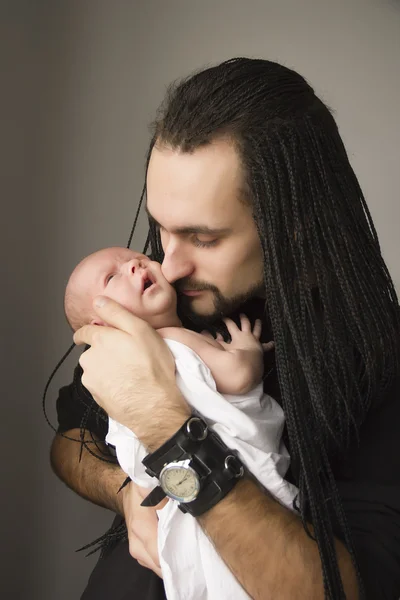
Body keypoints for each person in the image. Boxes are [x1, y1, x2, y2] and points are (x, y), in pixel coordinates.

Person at [50, 57, 400, 600]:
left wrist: (168, 434)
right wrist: (126, 489)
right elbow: (72, 438)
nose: (168, 263)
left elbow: (344, 591)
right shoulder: (163, 298)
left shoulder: (378, 364)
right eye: (162, 229)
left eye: (205, 238)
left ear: (293, 224)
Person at [63, 245, 297, 599]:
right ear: (102, 324)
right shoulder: (171, 338)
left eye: (134, 259)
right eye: (112, 276)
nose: (135, 264)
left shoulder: (116, 374)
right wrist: (247, 349)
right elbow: (237, 377)